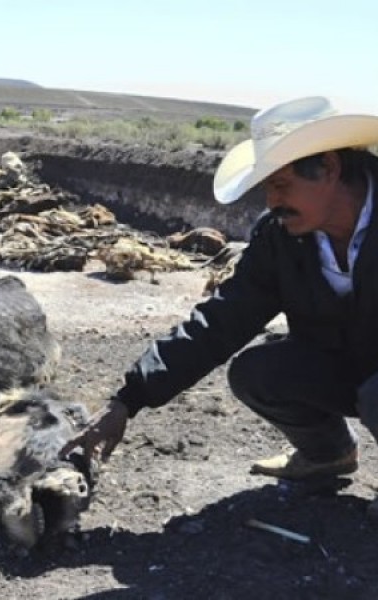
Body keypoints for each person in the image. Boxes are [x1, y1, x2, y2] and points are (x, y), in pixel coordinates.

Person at [60, 96, 378, 515]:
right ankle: (328, 455)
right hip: (351, 366)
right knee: (257, 373)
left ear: (330, 168)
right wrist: (128, 399)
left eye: (282, 184)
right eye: (268, 187)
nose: (272, 201)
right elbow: (223, 319)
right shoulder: (280, 237)